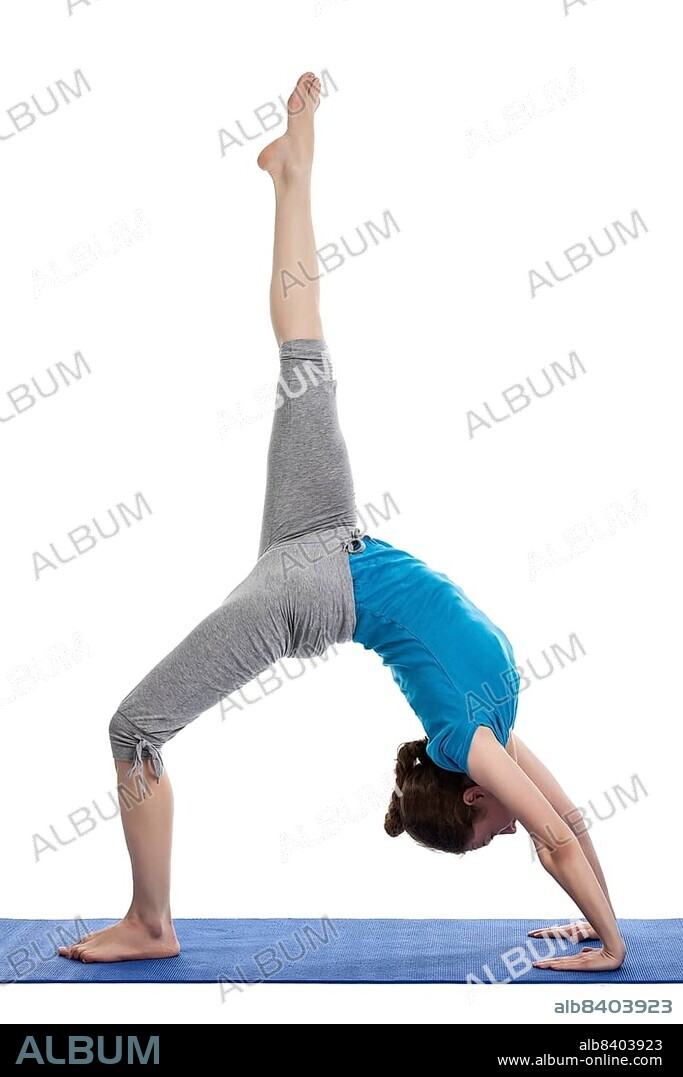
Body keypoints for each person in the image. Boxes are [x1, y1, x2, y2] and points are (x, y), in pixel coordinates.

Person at [59, 73, 625, 973]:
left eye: (490, 841)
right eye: (493, 840)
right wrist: (609, 936)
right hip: (319, 546)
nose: (510, 834)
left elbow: (559, 828)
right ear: (475, 797)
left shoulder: (479, 725)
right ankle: (293, 175)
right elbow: (562, 829)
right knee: (303, 349)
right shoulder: (477, 735)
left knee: (135, 727)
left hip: (316, 568)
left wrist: (603, 926)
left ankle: (149, 916)